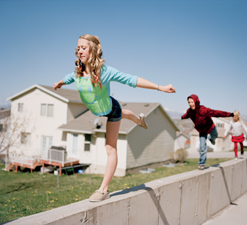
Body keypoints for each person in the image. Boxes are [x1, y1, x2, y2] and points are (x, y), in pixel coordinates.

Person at [53, 34, 176, 202]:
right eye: (78, 48)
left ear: (93, 50)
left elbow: (131, 79)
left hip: (111, 109)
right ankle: (137, 118)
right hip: (100, 111)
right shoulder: (78, 72)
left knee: (110, 148)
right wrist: (59, 83)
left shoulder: (105, 71)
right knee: (123, 114)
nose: (79, 51)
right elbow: (68, 78)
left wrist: (160, 87)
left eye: (84, 47)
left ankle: (103, 190)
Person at [181, 94, 234, 170]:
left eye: (192, 102)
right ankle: (202, 163)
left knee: (215, 135)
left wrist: (230, 114)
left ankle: (212, 139)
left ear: (196, 101)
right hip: (202, 131)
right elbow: (186, 115)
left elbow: (216, 113)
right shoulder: (189, 111)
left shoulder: (204, 110)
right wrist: (182, 117)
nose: (190, 104)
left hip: (210, 127)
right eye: (189, 102)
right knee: (202, 147)